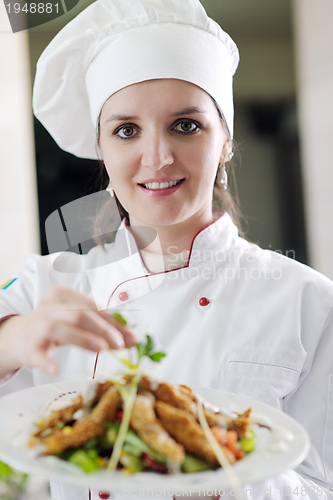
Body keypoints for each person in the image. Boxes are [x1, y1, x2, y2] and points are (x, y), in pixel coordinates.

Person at [0, 0, 332, 499]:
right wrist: (9, 341)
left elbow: (320, 486)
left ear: (225, 141)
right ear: (103, 150)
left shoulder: (308, 301)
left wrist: (217, 479)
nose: (156, 157)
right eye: (126, 130)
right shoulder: (43, 286)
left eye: (185, 125)